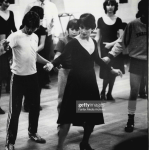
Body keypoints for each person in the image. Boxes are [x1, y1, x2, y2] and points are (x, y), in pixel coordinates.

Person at [44, 13, 122, 150]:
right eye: (81, 27)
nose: (83, 31)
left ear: (93, 28)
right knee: (67, 118)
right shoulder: (74, 42)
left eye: (87, 28)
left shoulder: (93, 42)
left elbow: (97, 60)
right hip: (75, 82)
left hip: (90, 82)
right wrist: (51, 64)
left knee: (91, 117)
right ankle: (59, 147)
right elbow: (62, 57)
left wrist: (111, 70)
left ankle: (84, 142)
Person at [4, 11, 52, 150]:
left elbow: (34, 55)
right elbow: (3, 49)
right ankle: (10, 142)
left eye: (33, 28)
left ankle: (33, 132)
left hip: (33, 77)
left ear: (37, 27)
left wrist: (47, 62)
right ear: (24, 23)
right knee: (15, 111)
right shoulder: (15, 36)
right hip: (18, 78)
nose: (30, 30)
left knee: (35, 107)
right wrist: (3, 47)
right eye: (28, 27)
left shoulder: (35, 37)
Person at [102, 0, 147, 132]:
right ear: (142, 12)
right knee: (134, 92)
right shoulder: (133, 25)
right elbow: (121, 43)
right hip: (136, 61)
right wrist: (109, 56)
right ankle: (130, 119)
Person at [24, 0, 60, 89]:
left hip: (46, 34)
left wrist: (56, 36)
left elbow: (55, 20)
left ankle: (45, 80)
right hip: (31, 32)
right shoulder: (30, 5)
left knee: (45, 56)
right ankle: (31, 79)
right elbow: (25, 18)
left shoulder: (52, 5)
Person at [95, 0, 124, 101]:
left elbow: (121, 38)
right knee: (107, 72)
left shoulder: (119, 20)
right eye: (108, 5)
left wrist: (111, 44)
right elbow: (98, 37)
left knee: (114, 73)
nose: (110, 7)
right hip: (104, 49)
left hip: (115, 49)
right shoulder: (100, 20)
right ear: (105, 7)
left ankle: (109, 93)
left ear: (115, 7)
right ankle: (103, 92)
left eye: (112, 5)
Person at [54, 18, 79, 133]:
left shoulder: (82, 40)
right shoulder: (63, 40)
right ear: (68, 29)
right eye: (72, 29)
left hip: (79, 72)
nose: (74, 31)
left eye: (77, 29)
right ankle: (61, 123)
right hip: (64, 72)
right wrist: (56, 62)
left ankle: (83, 121)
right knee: (62, 99)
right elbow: (57, 55)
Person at [21, 6, 47, 112]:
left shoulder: (42, 29)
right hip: (27, 58)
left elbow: (42, 44)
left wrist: (33, 50)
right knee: (28, 82)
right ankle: (26, 103)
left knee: (38, 82)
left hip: (37, 55)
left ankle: (36, 102)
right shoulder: (24, 27)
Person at [0, 0, 17, 114]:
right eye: (5, 1)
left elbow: (13, 29)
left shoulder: (11, 13)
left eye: (9, 2)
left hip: (7, 46)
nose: (7, 4)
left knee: (6, 74)